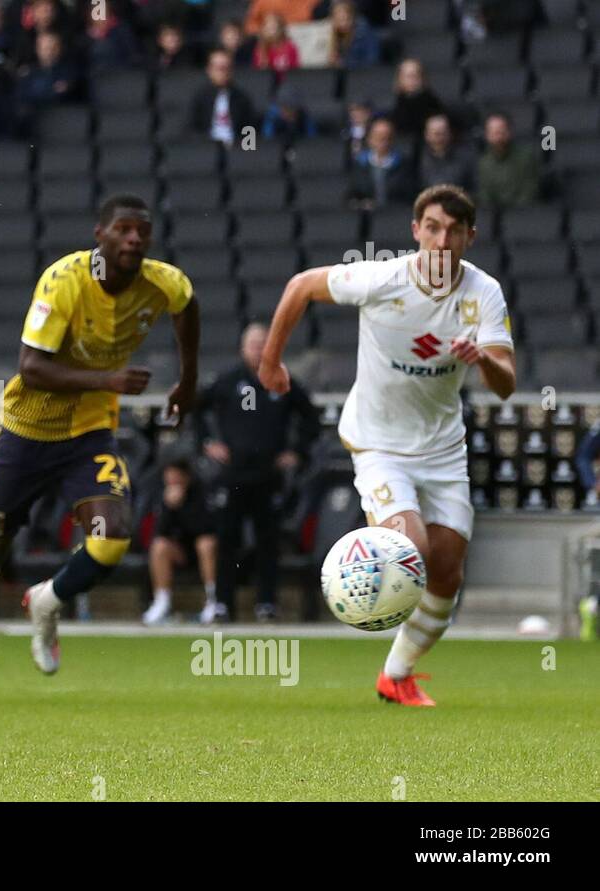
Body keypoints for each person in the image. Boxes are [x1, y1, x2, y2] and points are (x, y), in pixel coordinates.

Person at [0, 193, 200, 701]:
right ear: (100, 234)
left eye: (142, 232)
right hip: (24, 432)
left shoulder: (163, 281)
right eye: (124, 229)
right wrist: (107, 377)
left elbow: (188, 307)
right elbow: (31, 367)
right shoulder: (64, 281)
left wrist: (188, 380)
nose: (134, 239)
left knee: (112, 537)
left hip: (86, 434)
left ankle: (48, 599)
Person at [258, 184, 516, 705]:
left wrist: (482, 359)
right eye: (433, 227)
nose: (442, 240)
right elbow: (301, 286)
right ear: (416, 230)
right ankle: (360, 590)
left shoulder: (483, 293)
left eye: (454, 231)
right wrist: (270, 361)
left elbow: (507, 383)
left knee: (447, 571)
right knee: (411, 550)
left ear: (470, 236)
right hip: (378, 443)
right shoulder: (380, 278)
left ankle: (394, 674)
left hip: (443, 449)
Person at [197, 322, 319, 623]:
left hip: (269, 476)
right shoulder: (227, 380)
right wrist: (207, 443)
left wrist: (297, 452)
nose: (259, 349)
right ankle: (223, 604)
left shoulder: (282, 380)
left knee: (268, 542)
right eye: (254, 344)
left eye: (265, 343)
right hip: (233, 475)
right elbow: (197, 408)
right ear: (243, 347)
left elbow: (311, 418)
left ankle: (266, 604)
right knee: (227, 540)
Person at [143, 459, 218, 625]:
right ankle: (161, 602)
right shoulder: (162, 494)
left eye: (177, 478)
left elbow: (206, 528)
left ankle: (213, 601)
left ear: (187, 477)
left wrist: (183, 506)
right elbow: (160, 532)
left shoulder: (202, 491)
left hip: (203, 551)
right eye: (169, 478)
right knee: (160, 546)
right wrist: (169, 507)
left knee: (205, 544)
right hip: (180, 551)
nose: (173, 482)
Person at [190, 49, 258, 147]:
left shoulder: (242, 98)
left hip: (236, 150)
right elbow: (192, 129)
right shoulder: (200, 98)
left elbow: (250, 131)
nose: (222, 72)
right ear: (209, 70)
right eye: (218, 68)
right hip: (206, 151)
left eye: (225, 68)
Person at [477, 112, 540, 211]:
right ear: (487, 136)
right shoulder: (484, 163)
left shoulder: (526, 158)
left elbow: (528, 193)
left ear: (510, 132)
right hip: (493, 215)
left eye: (501, 132)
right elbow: (485, 196)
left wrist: (512, 214)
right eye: (493, 133)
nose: (498, 137)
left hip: (521, 214)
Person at [348, 117, 415, 209]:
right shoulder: (359, 164)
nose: (383, 142)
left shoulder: (404, 165)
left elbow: (409, 196)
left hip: (396, 216)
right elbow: (352, 195)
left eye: (387, 137)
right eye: (378, 137)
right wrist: (361, 204)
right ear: (369, 139)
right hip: (367, 217)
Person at [418, 113, 476, 193]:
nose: (438, 139)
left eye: (442, 133)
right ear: (427, 136)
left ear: (450, 134)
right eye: (435, 134)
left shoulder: (465, 159)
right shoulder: (419, 160)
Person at [389, 58, 444, 140]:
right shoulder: (395, 102)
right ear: (400, 79)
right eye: (408, 76)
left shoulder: (432, 102)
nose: (413, 79)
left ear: (423, 78)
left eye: (416, 75)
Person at [328, 0, 380, 68]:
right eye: (338, 19)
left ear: (352, 18)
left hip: (364, 76)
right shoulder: (333, 35)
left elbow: (372, 62)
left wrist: (343, 63)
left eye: (344, 19)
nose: (342, 24)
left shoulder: (364, 35)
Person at [252, 12, 299, 77]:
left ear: (280, 28)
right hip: (266, 83)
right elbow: (258, 72)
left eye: (274, 26)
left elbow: (295, 71)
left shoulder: (290, 47)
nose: (271, 29)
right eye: (267, 26)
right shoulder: (260, 49)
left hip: (287, 83)